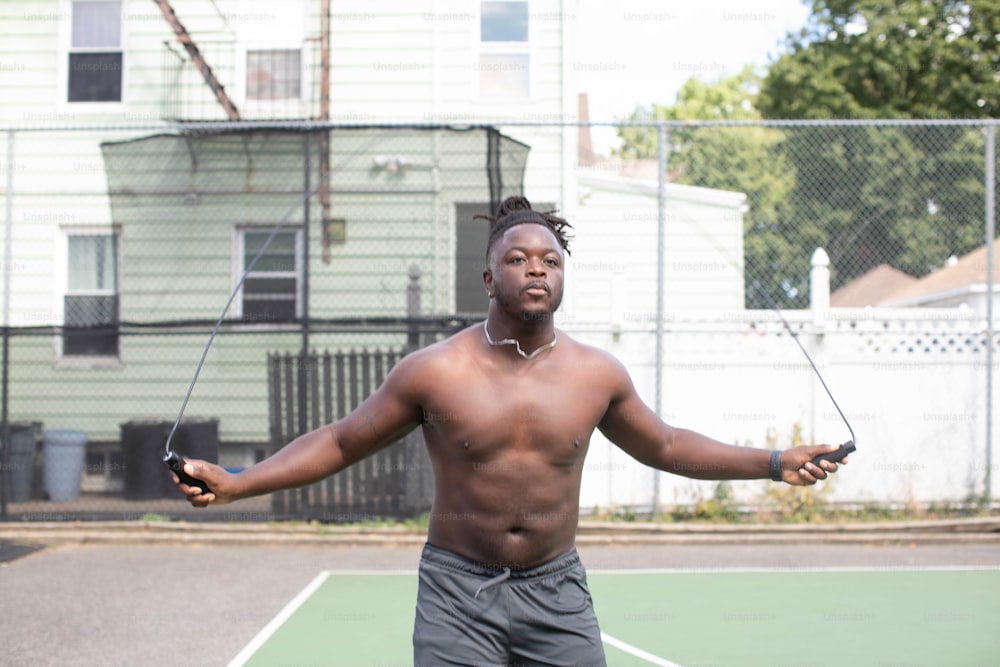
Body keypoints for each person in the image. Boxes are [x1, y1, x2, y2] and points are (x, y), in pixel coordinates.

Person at [171, 195, 845, 666]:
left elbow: (665, 444)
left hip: (556, 589)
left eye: (551, 261)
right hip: (457, 590)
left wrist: (773, 459)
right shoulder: (435, 372)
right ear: (490, 275)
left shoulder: (595, 374)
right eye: (521, 259)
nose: (537, 270)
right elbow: (344, 440)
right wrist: (238, 481)